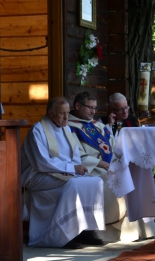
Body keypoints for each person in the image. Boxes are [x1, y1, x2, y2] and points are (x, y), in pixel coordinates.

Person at [21, 97, 105, 249]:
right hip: (36, 175)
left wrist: (73, 168)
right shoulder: (38, 131)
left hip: (61, 172)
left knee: (95, 181)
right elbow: (42, 162)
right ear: (51, 114)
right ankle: (63, 235)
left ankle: (85, 231)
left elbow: (74, 156)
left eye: (67, 113)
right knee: (73, 184)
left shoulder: (66, 129)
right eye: (62, 114)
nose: (67, 117)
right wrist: (70, 169)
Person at [67, 92, 125, 226]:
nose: (93, 112)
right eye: (89, 107)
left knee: (128, 173)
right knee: (108, 177)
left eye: (95, 108)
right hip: (90, 168)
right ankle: (110, 227)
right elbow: (74, 154)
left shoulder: (98, 125)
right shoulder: (70, 127)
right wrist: (99, 163)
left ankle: (131, 227)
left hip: (108, 165)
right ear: (77, 105)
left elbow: (112, 145)